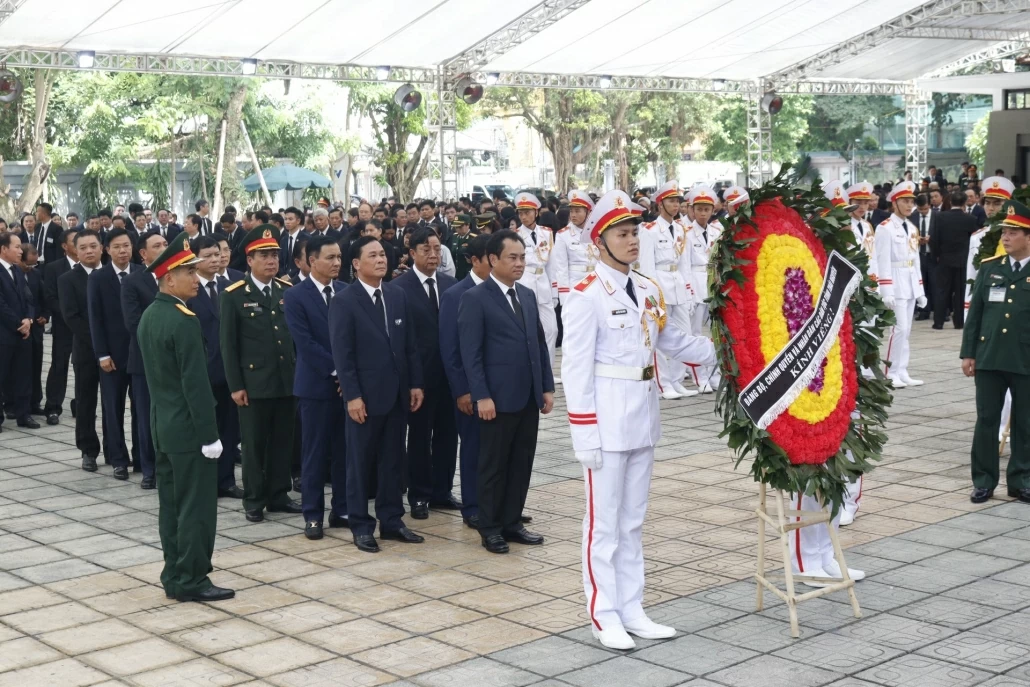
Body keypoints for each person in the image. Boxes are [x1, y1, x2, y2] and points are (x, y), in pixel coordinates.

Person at [562, 189, 717, 650]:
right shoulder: (586, 295)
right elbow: (575, 370)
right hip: (606, 422)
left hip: (643, 417)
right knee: (602, 527)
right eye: (623, 234)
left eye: (634, 233)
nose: (632, 241)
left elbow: (673, 343)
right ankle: (603, 613)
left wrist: (725, 352)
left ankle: (632, 607)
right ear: (601, 241)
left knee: (632, 523)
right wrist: (584, 431)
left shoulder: (648, 288)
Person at [137, 236, 234, 603]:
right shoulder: (184, 321)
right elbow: (195, 385)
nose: (196, 278)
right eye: (188, 272)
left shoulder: (152, 315)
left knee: (172, 508)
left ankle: (174, 574)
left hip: (164, 427)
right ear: (167, 279)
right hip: (191, 432)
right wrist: (211, 436)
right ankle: (193, 578)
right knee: (196, 509)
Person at [458, 230, 554, 554]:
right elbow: (470, 353)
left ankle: (512, 522)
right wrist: (480, 395)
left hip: (527, 396)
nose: (519, 263)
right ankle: (490, 527)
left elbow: (539, 344)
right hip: (495, 400)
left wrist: (547, 386)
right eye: (512, 257)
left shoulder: (526, 295)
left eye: (523, 257)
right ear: (492, 260)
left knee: (521, 462)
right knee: (493, 465)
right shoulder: (475, 298)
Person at [329, 236, 425, 553]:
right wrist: (352, 396)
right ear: (356, 264)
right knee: (360, 463)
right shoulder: (345, 300)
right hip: (364, 399)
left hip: (396, 395)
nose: (381, 259)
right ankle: (360, 524)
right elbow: (343, 354)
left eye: (383, 254)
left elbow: (410, 345)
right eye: (373, 255)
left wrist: (415, 384)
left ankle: (392, 520)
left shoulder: (396, 295)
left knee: (392, 461)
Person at [220, 224, 302, 522]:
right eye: (264, 255)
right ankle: (254, 499)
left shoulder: (286, 291)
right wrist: (236, 385)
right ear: (250, 259)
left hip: (286, 380)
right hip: (253, 384)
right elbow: (228, 345)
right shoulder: (234, 295)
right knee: (254, 444)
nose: (271, 261)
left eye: (275, 255)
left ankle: (278, 494)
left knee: (283, 441)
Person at [962, 199, 1030, 504]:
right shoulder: (990, 269)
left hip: (1024, 359)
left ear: (1028, 237)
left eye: (1013, 232)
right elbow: (975, 315)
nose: (1005, 237)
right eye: (1004, 231)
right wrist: (968, 353)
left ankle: (1021, 480)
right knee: (987, 420)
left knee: (1026, 422)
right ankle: (984, 481)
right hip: (989, 357)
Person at [283, 235, 349, 540]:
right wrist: (338, 371)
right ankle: (312, 515)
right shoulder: (296, 296)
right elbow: (305, 343)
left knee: (344, 451)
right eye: (330, 258)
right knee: (314, 453)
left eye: (339, 257)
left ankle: (343, 509)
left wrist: (348, 376)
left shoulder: (347, 292)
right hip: (316, 387)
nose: (337, 263)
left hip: (347, 388)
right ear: (311, 261)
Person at [394, 227, 460, 519]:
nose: (433, 255)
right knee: (420, 437)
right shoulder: (399, 289)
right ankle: (419, 494)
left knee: (448, 436)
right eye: (426, 250)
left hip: (450, 377)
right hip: (419, 379)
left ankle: (442, 491)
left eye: (437, 249)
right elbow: (402, 340)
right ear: (412, 253)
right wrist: (412, 381)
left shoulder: (451, 285)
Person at [439, 235, 495, 529]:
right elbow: (450, 349)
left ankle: (499, 505)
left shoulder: (501, 290)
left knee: (499, 450)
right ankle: (473, 506)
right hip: (471, 390)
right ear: (475, 261)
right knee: (474, 448)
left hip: (500, 387)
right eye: (491, 259)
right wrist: (462, 390)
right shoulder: (456, 294)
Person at [186, 236, 243, 499]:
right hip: (202, 372)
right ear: (195, 259)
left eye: (218, 253)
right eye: (208, 255)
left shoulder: (231, 287)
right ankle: (204, 480)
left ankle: (226, 479)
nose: (216, 259)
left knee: (230, 428)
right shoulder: (189, 290)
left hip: (229, 372)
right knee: (204, 428)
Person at [87, 228, 141, 480]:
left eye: (127, 245)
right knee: (113, 407)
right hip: (112, 356)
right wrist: (101, 354)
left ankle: (141, 456)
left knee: (141, 408)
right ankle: (118, 458)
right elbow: (95, 319)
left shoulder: (142, 273)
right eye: (117, 246)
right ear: (107, 249)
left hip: (139, 354)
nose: (123, 251)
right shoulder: (98, 278)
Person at [637, 181, 697, 400]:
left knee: (684, 334)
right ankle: (663, 383)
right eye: (671, 201)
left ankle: (677, 380)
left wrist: (689, 292)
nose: (675, 205)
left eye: (678, 201)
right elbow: (646, 266)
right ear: (660, 204)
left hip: (678, 285)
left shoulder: (681, 229)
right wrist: (651, 295)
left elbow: (685, 264)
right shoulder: (650, 230)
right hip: (659, 286)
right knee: (659, 337)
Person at [871, 181, 926, 388]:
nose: (909, 205)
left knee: (907, 329)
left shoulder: (912, 228)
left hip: (910, 282)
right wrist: (885, 288)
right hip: (894, 281)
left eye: (911, 201)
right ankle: (890, 371)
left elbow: (916, 259)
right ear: (894, 203)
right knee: (899, 329)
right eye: (905, 201)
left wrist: (920, 289)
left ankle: (902, 370)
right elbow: (881, 259)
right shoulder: (885, 228)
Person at [122, 232, 166, 489]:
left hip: (174, 360)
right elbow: (134, 323)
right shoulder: (133, 282)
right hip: (145, 360)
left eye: (164, 244)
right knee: (146, 415)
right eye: (156, 246)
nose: (163, 248)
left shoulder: (178, 274)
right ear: (143, 254)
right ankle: (149, 469)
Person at [59, 230, 104, 467]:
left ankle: (117, 450)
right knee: (86, 402)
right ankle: (88, 450)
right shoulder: (68, 279)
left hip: (115, 352)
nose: (88, 251)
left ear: (101, 248)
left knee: (113, 404)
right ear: (75, 250)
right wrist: (99, 343)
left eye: (93, 246)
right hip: (86, 351)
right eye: (83, 247)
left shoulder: (112, 276)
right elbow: (71, 317)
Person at [512, 193, 559, 382]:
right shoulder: (516, 235)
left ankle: (546, 370)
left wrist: (554, 290)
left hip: (544, 283)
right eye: (521, 213)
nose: (524, 216)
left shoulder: (546, 233)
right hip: (525, 281)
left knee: (551, 329)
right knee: (528, 330)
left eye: (527, 212)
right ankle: (531, 372)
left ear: (536, 212)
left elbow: (552, 264)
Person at [685, 184, 722, 393]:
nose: (702, 213)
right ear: (692, 209)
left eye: (706, 209)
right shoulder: (687, 232)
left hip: (714, 283)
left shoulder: (718, 230)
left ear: (712, 210)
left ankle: (715, 374)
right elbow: (685, 264)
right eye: (699, 209)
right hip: (696, 283)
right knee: (696, 333)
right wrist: (688, 291)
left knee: (716, 332)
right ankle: (700, 376)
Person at [0, 233, 37, 431]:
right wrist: (18, 323)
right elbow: (1, 305)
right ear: (4, 249)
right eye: (16, 247)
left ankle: (24, 415)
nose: (21, 251)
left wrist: (29, 320)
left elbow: (29, 298)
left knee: (24, 376)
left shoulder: (17, 270)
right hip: (5, 333)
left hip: (24, 333)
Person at [43, 228, 78, 425]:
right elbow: (50, 297)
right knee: (59, 366)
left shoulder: (93, 267)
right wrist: (69, 315)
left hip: (86, 328)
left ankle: (80, 404)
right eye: (75, 241)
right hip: (63, 327)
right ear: (64, 246)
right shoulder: (54, 268)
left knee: (85, 368)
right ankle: (53, 407)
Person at [931, 190, 978, 330]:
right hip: (962, 261)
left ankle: (938, 322)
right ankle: (959, 322)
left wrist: (936, 256)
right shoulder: (970, 219)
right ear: (964, 203)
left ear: (950, 202)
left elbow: (934, 239)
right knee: (960, 292)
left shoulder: (940, 217)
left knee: (941, 291)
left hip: (944, 259)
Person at [18, 243, 47, 417]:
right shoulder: (12, 275)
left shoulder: (37, 275)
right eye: (27, 264)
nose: (31, 268)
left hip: (36, 328)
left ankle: (35, 402)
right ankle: (14, 403)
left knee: (36, 367)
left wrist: (45, 315)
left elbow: (43, 298)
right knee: (20, 369)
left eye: (34, 264)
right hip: (19, 329)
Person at [910, 195, 937, 321]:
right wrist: (917, 240)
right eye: (920, 210)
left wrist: (931, 240)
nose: (923, 212)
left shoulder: (938, 216)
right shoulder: (912, 217)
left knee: (935, 283)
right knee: (921, 283)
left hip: (933, 255)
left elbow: (942, 235)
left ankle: (939, 310)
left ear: (929, 205)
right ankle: (923, 310)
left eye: (925, 209)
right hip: (919, 255)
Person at [446, 214, 477, 281]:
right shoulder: (454, 237)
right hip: (456, 273)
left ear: (468, 225)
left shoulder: (474, 238)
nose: (458, 229)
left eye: (460, 227)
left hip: (467, 273)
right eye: (456, 227)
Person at [279, 207, 308, 278]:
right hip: (283, 279)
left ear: (298, 221)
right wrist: (282, 275)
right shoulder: (283, 240)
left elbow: (305, 262)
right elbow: (280, 261)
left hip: (300, 277)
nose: (287, 222)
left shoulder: (306, 239)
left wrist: (289, 275)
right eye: (285, 219)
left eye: (290, 219)